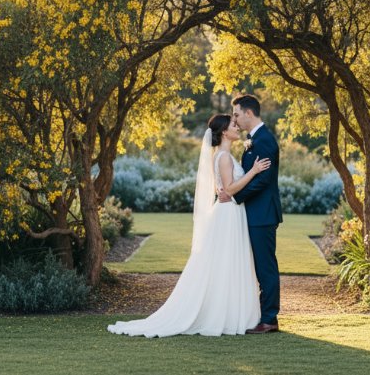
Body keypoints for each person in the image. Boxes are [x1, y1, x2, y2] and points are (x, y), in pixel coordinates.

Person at [107, 114, 270, 337]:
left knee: (227, 263)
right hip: (229, 215)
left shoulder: (222, 155)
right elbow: (230, 189)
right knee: (227, 262)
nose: (237, 127)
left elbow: (223, 189)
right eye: (233, 125)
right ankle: (227, 315)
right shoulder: (223, 157)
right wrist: (254, 171)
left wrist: (230, 188)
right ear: (224, 131)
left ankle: (231, 312)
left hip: (231, 211)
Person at [219, 94, 282, 334]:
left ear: (248, 113)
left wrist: (234, 196)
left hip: (262, 214)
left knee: (265, 267)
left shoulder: (264, 140)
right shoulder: (253, 140)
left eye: (236, 114)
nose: (234, 119)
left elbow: (262, 180)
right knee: (256, 266)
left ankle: (269, 319)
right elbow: (247, 176)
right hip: (254, 213)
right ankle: (259, 315)